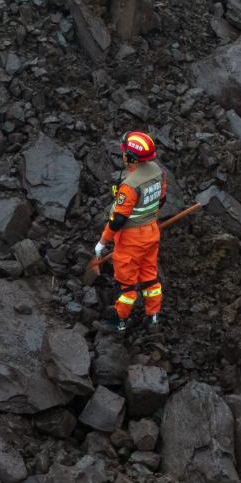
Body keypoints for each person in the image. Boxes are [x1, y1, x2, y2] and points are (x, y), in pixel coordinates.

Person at [94, 130, 167, 332]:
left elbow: (118, 220)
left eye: (125, 152)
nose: (123, 155)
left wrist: (102, 242)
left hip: (131, 240)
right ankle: (153, 317)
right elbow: (162, 199)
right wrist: (146, 218)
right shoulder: (157, 171)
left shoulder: (130, 185)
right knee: (150, 278)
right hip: (151, 233)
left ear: (132, 157)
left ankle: (119, 321)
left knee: (126, 285)